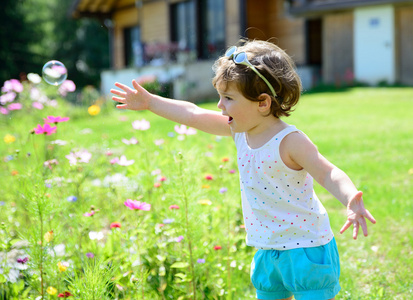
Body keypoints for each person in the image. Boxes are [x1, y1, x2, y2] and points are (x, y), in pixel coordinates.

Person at [111, 39, 376, 300]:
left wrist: (350, 198)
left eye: (228, 98)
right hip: (267, 248)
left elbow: (327, 172)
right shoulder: (238, 130)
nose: (219, 106)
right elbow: (192, 114)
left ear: (263, 103)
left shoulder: (290, 141)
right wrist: (150, 102)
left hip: (306, 249)